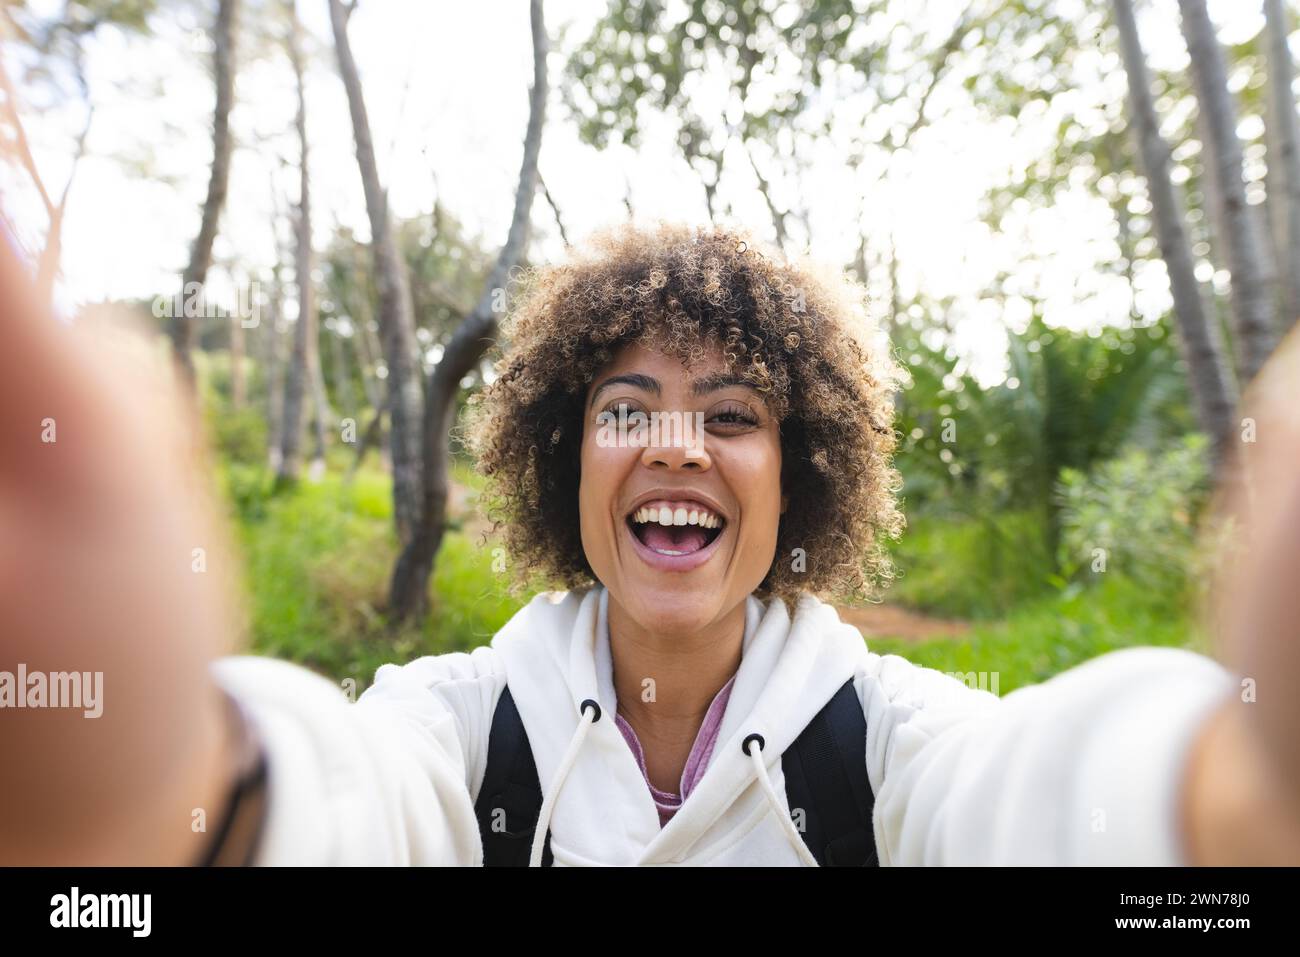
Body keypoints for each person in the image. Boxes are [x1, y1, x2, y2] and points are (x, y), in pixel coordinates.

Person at [2, 221, 1297, 866]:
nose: (677, 444)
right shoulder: (462, 725)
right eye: (628, 408)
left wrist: (1236, 799)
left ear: (802, 482)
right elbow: (353, 792)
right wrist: (173, 787)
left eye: (733, 416)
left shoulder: (886, 736)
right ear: (569, 462)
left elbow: (1032, 794)